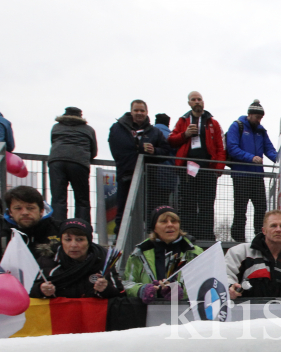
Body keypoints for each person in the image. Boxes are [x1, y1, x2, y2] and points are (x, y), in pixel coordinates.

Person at [168, 91, 225, 240]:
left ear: (203, 102)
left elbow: (220, 147)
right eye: (194, 99)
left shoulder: (213, 123)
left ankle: (206, 236)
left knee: (207, 204)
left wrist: (218, 169)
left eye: (199, 99)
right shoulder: (183, 120)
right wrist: (185, 134)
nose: (197, 102)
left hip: (207, 168)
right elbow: (172, 139)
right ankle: (188, 235)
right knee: (188, 202)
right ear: (189, 103)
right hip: (188, 168)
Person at [108, 99, 171, 234]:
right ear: (131, 111)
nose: (139, 113)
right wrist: (139, 149)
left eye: (142, 111)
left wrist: (154, 151)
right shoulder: (117, 128)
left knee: (151, 211)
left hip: (149, 177)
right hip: (126, 175)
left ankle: (152, 239)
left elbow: (165, 151)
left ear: (147, 112)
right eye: (136, 110)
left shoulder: (155, 132)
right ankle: (120, 239)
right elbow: (116, 150)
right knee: (124, 209)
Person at [121, 206, 203, 303]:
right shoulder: (139, 253)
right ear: (154, 228)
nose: (170, 224)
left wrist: (180, 291)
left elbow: (205, 284)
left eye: (174, 221)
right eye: (164, 221)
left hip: (185, 313)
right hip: (148, 313)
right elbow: (127, 283)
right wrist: (142, 290)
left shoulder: (195, 252)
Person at [226, 100, 278, 243]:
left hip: (257, 175)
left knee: (261, 206)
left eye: (261, 118)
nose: (259, 120)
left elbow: (270, 150)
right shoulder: (237, 126)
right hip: (241, 174)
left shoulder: (261, 131)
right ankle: (238, 238)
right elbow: (232, 147)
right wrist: (250, 158)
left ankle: (259, 236)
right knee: (240, 208)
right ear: (250, 115)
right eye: (257, 117)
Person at [30, 218, 122, 299]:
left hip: (92, 317)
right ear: (61, 241)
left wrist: (105, 289)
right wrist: (41, 289)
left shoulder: (104, 260)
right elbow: (28, 290)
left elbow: (120, 295)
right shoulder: (47, 260)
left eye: (80, 239)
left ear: (89, 241)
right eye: (68, 240)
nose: (73, 245)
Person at [48, 107, 98, 222]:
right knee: (82, 200)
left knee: (58, 199)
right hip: (79, 163)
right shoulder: (88, 129)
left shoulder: (56, 127)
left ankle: (57, 231)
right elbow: (93, 152)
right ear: (80, 116)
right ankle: (81, 230)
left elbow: (53, 142)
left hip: (56, 162)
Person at [1, 186, 60, 259]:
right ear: (10, 212)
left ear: (41, 210)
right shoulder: (3, 232)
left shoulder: (59, 230)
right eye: (18, 208)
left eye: (30, 208)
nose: (24, 212)